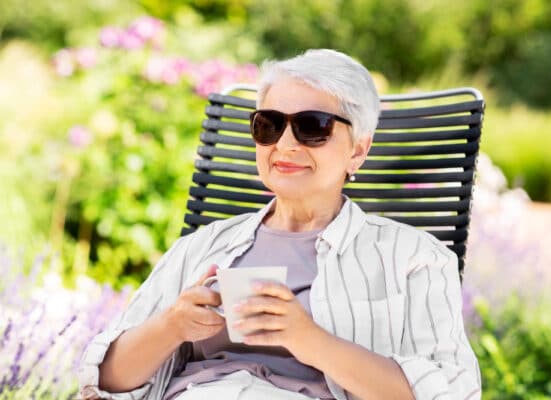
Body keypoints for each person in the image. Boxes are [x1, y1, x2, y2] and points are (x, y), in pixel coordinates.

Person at [79, 49, 481, 400]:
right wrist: (171, 326)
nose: (285, 145)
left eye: (313, 126)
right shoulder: (202, 247)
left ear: (358, 150)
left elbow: (451, 392)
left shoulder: (414, 258)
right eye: (269, 125)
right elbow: (105, 383)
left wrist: (309, 341)